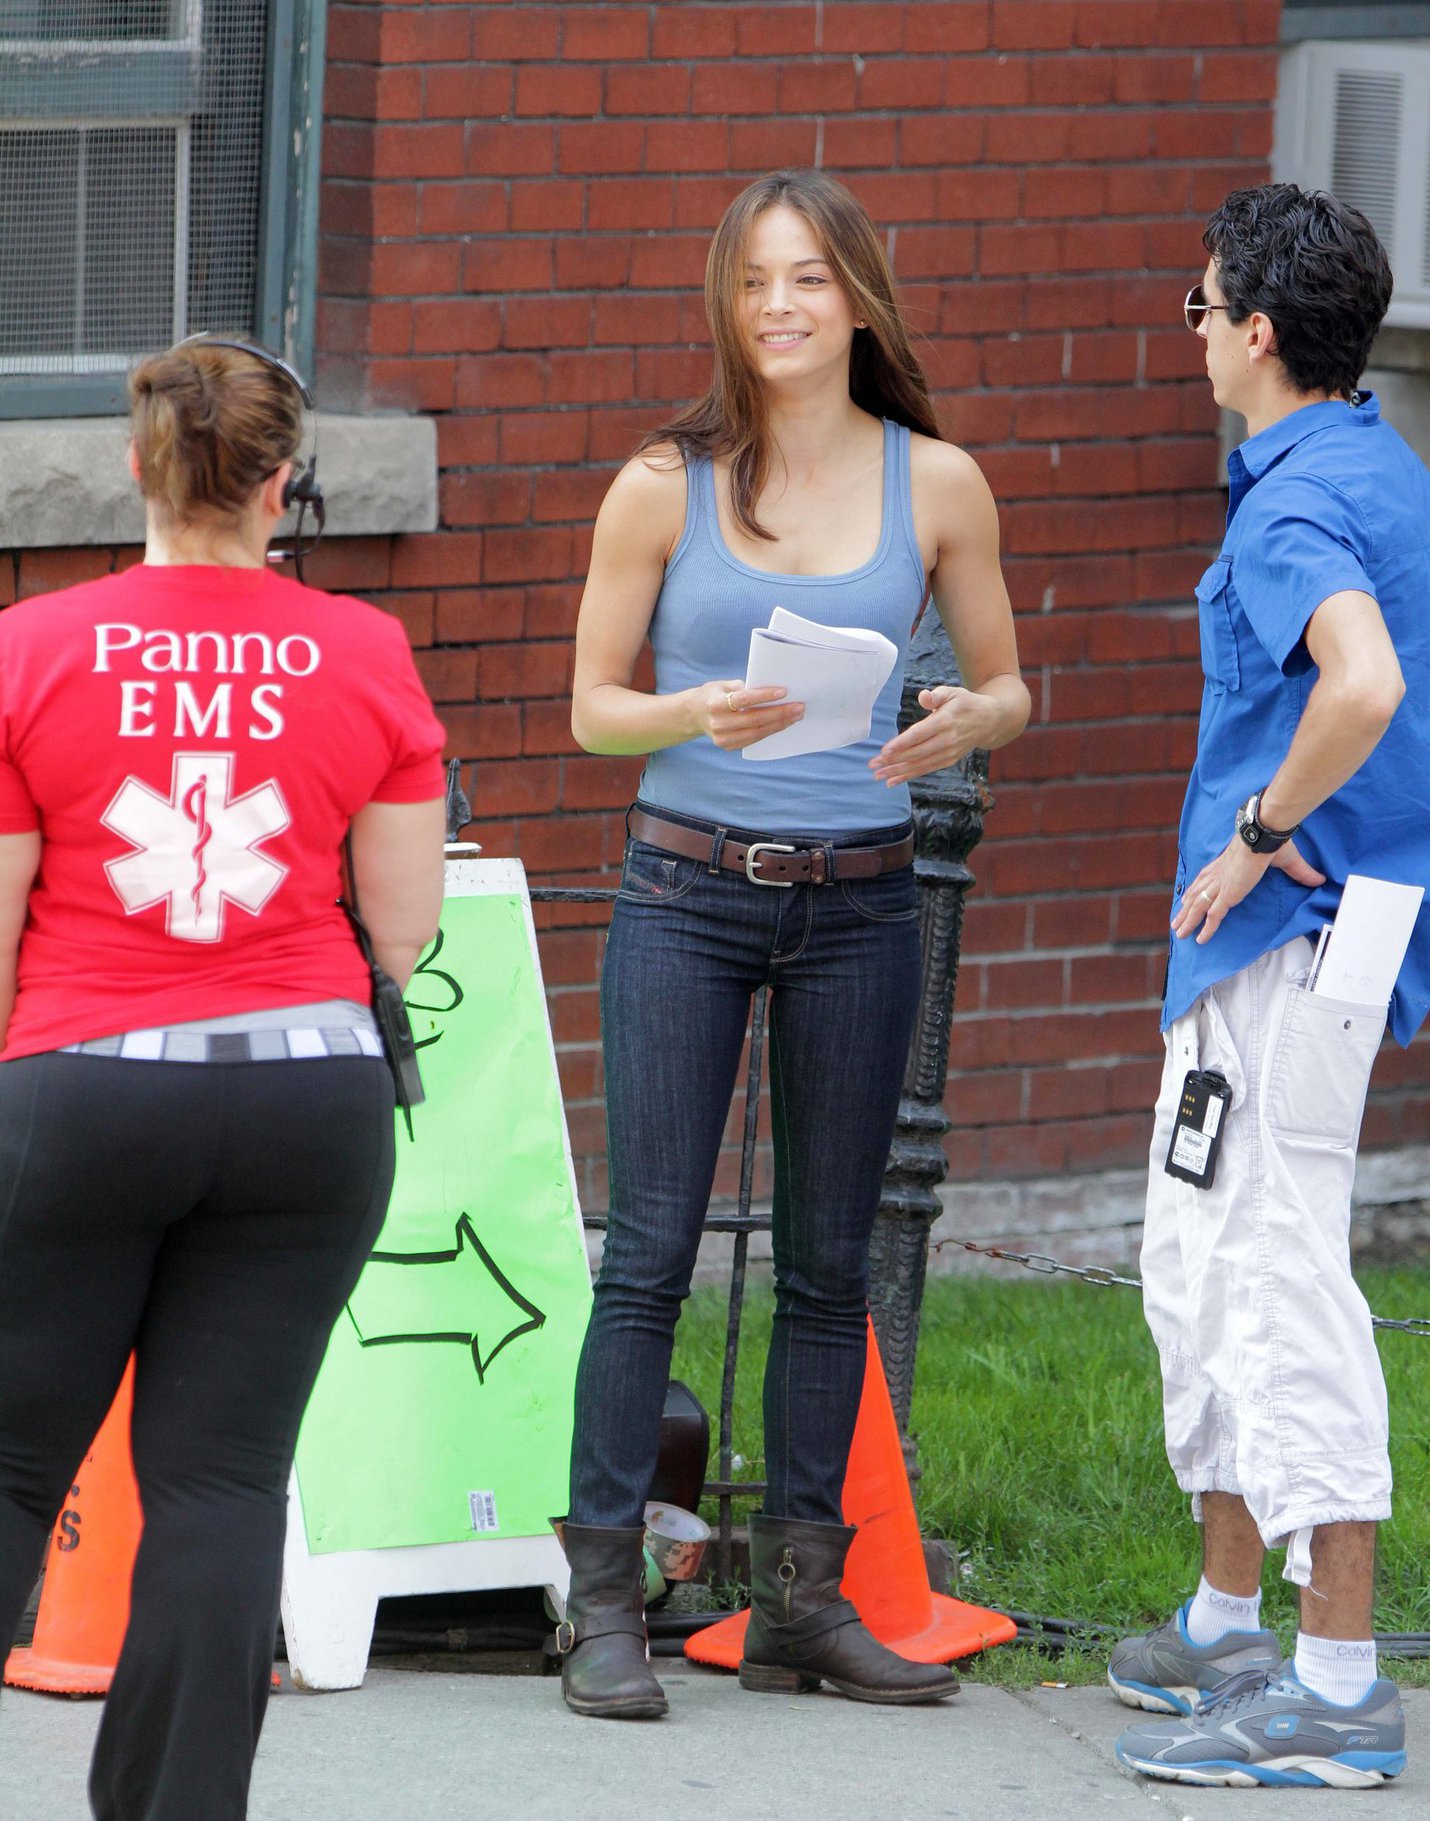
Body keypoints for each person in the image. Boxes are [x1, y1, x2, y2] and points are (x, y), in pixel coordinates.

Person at [559, 169, 1029, 1719]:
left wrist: (964, 715)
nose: (778, 306)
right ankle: (607, 1602)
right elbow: (589, 710)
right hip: (686, 889)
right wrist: (690, 708)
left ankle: (801, 1602)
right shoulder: (662, 481)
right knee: (647, 1253)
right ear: (726, 298)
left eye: (809, 278)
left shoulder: (936, 481)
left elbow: (1010, 689)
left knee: (832, 1265)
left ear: (859, 300)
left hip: (864, 899)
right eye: (755, 278)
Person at [0, 338, 446, 1817]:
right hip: (304, 1102)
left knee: (10, 1470)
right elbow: (402, 926)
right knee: (220, 1482)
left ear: (133, 467)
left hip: (84, 1087)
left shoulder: (31, 648)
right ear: (281, 485)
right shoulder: (368, 651)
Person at [1109, 185, 1428, 1790]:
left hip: (1286, 948)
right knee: (1204, 1255)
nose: (1190, 327)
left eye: (1198, 301)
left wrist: (1256, 833)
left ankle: (1338, 1684)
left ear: (1251, 333)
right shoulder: (1373, 463)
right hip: (1299, 944)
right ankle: (1230, 1618)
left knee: (1275, 1271)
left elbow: (1361, 682)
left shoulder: (1296, 501)